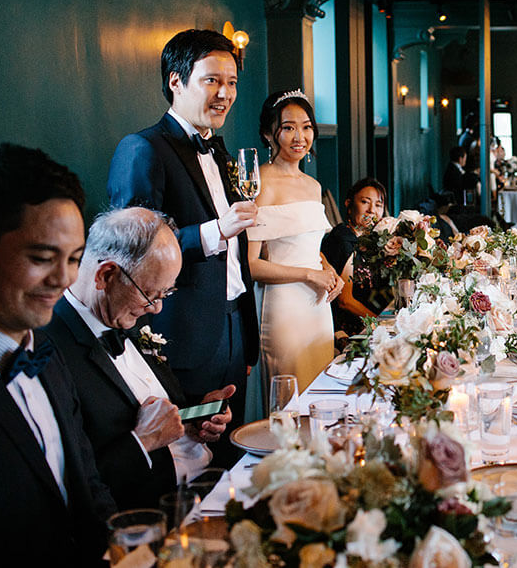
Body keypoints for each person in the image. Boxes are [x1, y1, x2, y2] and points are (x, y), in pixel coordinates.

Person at [107, 29, 259, 464]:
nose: (225, 93)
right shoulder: (142, 149)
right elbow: (132, 248)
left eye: (231, 83)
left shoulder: (223, 152)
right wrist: (215, 231)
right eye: (212, 80)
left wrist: (244, 336)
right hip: (181, 334)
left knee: (233, 450)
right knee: (187, 457)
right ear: (176, 81)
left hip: (233, 327)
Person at [41, 207, 234, 510]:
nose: (156, 308)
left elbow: (147, 398)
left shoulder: (126, 312)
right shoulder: (48, 351)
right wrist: (142, 442)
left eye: (164, 294)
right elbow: (69, 485)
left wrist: (193, 417)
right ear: (106, 275)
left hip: (210, 477)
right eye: (151, 295)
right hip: (158, 512)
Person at [0, 143, 115, 566]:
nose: (62, 279)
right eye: (42, 258)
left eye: (74, 260)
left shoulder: (47, 352)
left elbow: (87, 482)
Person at [247, 90, 343, 391]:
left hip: (317, 307)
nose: (299, 136)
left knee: (318, 390)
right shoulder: (259, 183)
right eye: (288, 127)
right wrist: (308, 274)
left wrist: (330, 273)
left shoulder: (313, 186)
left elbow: (310, 246)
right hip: (282, 307)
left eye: (306, 126)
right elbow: (250, 265)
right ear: (268, 133)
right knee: (288, 393)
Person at [322, 178, 389, 340]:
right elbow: (345, 301)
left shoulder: (368, 239)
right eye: (365, 202)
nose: (372, 210)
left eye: (378, 205)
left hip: (364, 323)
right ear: (349, 204)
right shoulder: (343, 239)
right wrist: (381, 324)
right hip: (345, 331)